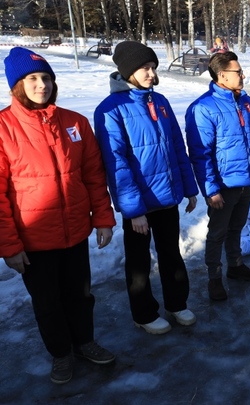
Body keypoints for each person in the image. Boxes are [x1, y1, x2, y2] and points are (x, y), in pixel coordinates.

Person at [0, 47, 116, 384]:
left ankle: (84, 342)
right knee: (48, 302)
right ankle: (61, 353)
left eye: (46, 77)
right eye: (33, 78)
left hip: (75, 233)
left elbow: (94, 175)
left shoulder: (74, 123)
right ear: (16, 85)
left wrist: (103, 218)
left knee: (80, 295)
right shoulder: (4, 129)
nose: (42, 85)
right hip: (34, 240)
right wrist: (9, 245)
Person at [94, 41, 200, 335]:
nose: (151, 73)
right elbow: (116, 163)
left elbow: (177, 147)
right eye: (145, 68)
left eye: (153, 67)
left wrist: (190, 189)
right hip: (138, 204)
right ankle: (143, 313)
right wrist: (133, 211)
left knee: (171, 253)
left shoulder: (160, 101)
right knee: (139, 262)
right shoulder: (110, 109)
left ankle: (177, 304)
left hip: (167, 196)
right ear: (128, 71)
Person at [185, 51, 250, 301]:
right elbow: (200, 154)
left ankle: (235, 267)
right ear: (222, 75)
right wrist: (211, 190)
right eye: (238, 72)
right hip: (223, 185)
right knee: (217, 233)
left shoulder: (245, 101)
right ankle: (214, 277)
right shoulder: (203, 108)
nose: (243, 75)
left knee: (237, 227)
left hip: (246, 180)